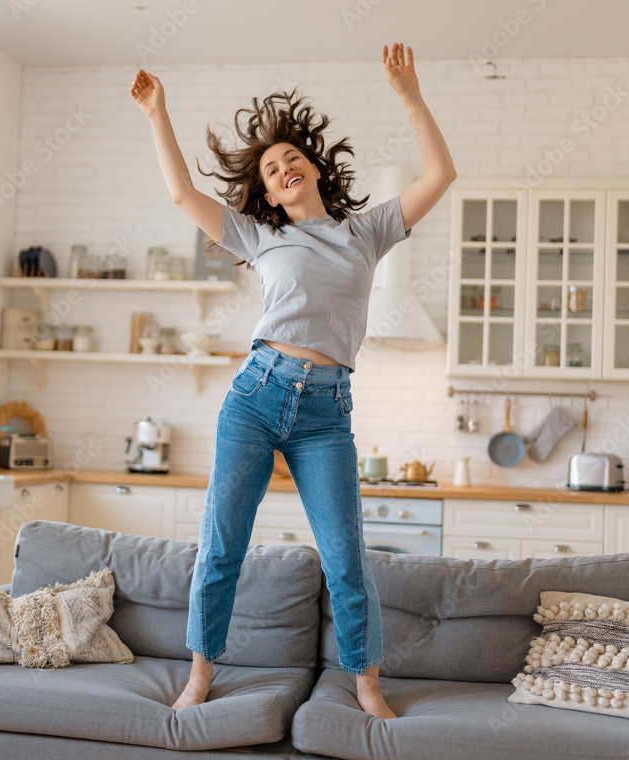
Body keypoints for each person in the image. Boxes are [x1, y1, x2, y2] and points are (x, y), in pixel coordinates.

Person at [130, 43, 455, 720]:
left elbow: (442, 173)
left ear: (313, 168)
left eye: (291, 160)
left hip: (325, 414)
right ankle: (199, 677)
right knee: (222, 548)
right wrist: (159, 114)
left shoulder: (365, 233)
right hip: (255, 396)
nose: (282, 170)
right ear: (269, 191)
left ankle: (367, 685)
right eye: (272, 171)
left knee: (346, 560)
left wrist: (410, 96)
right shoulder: (259, 238)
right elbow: (180, 193)